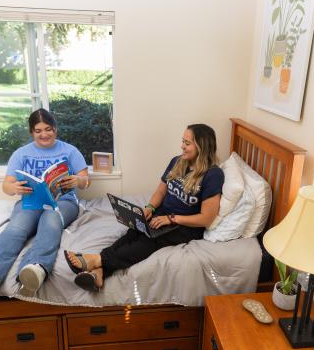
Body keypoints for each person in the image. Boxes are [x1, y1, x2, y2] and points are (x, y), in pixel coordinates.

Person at [65, 123, 224, 291]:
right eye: (182, 141)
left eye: (187, 143)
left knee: (151, 240)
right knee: (135, 230)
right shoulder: (178, 162)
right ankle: (99, 273)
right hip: (164, 214)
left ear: (202, 146)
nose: (182, 146)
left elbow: (207, 217)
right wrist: (149, 208)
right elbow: (160, 192)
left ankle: (98, 260)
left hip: (185, 225)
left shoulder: (213, 175)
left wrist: (171, 219)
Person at [0, 108, 89, 299]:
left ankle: (36, 267)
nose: (44, 134)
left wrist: (77, 180)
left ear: (55, 129)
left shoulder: (69, 151)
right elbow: (6, 186)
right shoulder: (21, 154)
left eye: (48, 129)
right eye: (38, 130)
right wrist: (14, 187)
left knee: (50, 221)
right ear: (32, 132)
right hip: (31, 202)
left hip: (64, 201)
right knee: (15, 229)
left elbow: (86, 181)